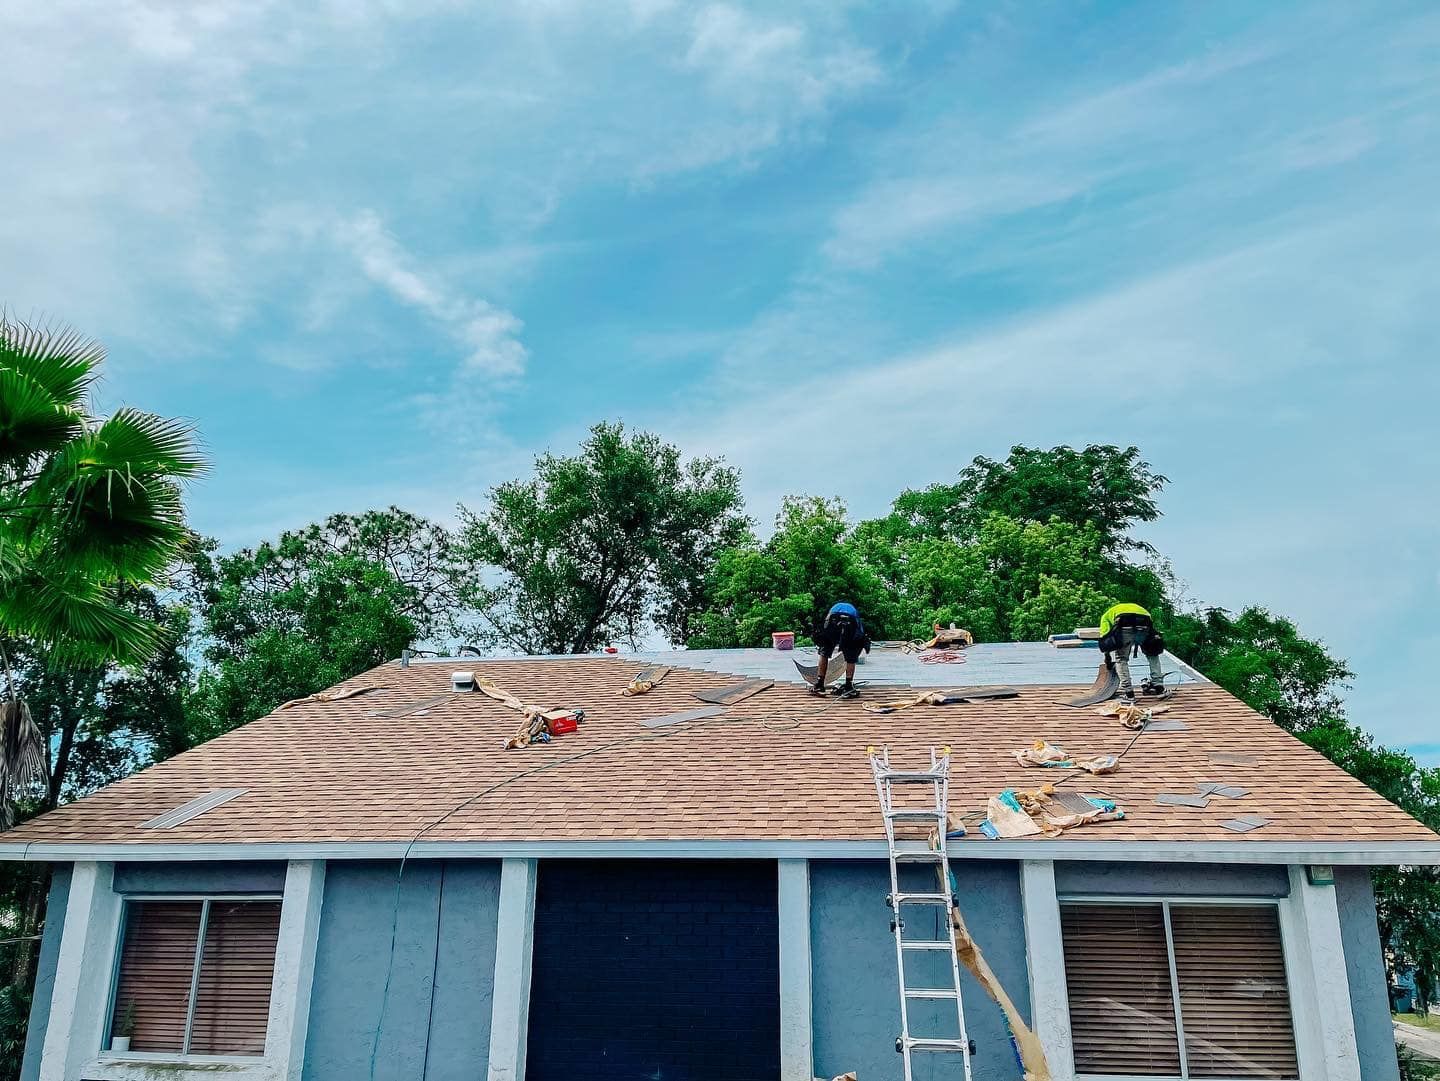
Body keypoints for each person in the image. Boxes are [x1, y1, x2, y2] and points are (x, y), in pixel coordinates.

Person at [1097, 602, 1166, 703]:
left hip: (1124, 623)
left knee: (1121, 659)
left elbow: (1105, 638)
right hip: (1145, 621)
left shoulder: (1105, 617)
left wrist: (1107, 657)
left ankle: (1129, 694)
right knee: (1152, 654)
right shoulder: (1135, 608)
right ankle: (1159, 688)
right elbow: (1151, 628)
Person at [811, 601, 871, 698]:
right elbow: (860, 635)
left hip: (832, 619)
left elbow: (823, 631)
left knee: (824, 652)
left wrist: (823, 642)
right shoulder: (855, 615)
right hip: (851, 622)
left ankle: (819, 684)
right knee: (851, 656)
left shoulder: (831, 610)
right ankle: (848, 686)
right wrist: (855, 648)